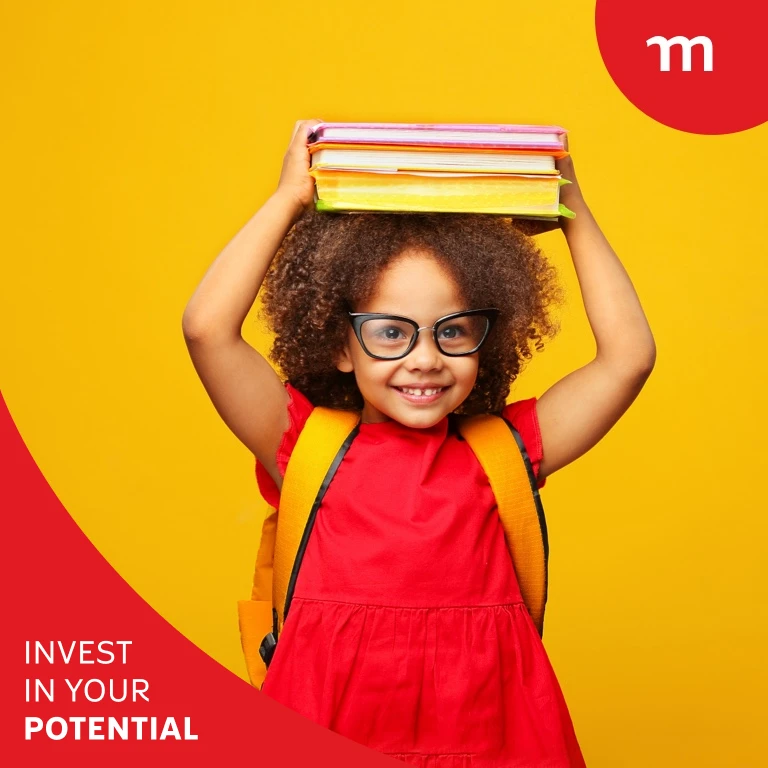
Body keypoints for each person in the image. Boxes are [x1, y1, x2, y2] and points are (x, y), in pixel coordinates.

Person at [182, 119, 656, 767]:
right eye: (389, 332)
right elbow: (207, 330)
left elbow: (628, 358)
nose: (424, 358)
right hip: (328, 714)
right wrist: (287, 199)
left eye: (453, 331)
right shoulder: (305, 443)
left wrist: (572, 210)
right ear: (340, 343)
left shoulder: (504, 449)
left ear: (487, 336)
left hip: (491, 728)